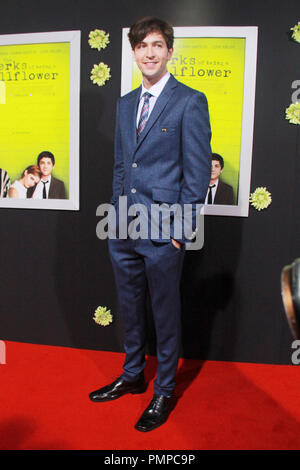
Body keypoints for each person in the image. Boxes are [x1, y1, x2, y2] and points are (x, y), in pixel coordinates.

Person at [89, 16, 212, 432]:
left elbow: (196, 177)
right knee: (130, 308)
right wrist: (115, 212)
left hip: (164, 232)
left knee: (164, 312)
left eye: (157, 45)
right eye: (142, 46)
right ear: (134, 53)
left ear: (170, 51)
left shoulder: (189, 101)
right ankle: (133, 374)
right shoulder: (125, 104)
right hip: (122, 228)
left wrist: (181, 232)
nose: (149, 53)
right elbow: (123, 165)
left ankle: (163, 392)